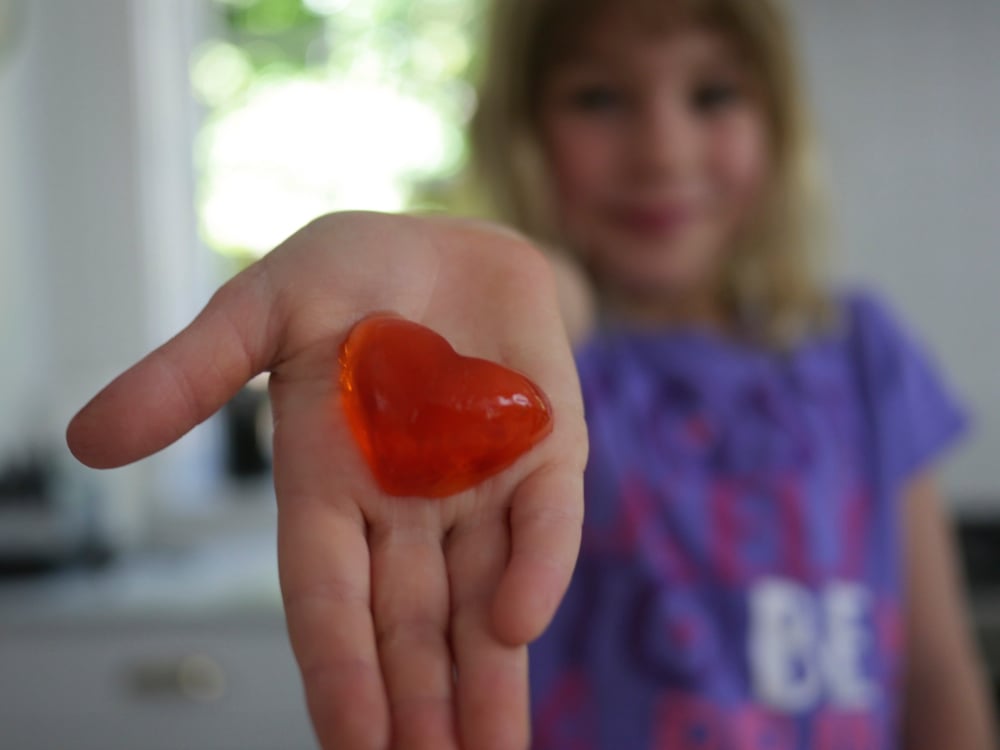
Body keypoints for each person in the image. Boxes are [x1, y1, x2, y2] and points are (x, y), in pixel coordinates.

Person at [67, 0, 996, 749]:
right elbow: (544, 296)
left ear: (779, 122)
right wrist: (473, 269)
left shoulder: (865, 355)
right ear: (524, 128)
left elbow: (937, 673)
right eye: (599, 99)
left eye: (713, 95)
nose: (663, 150)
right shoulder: (550, 346)